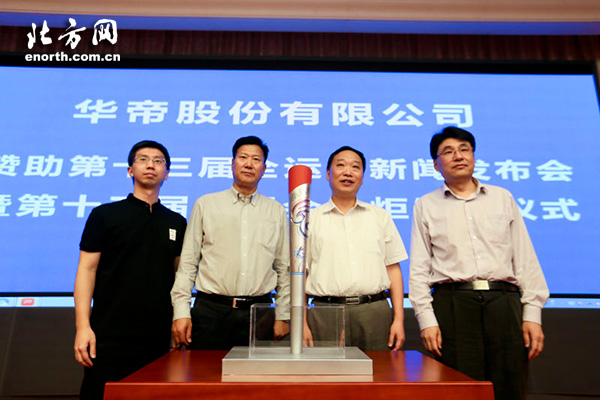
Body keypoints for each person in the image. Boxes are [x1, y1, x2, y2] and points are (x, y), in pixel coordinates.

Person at [409, 126, 549, 400]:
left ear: (473, 156)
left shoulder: (502, 197)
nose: (458, 156)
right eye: (448, 151)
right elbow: (419, 268)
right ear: (436, 164)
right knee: (461, 390)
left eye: (465, 149)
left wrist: (532, 314)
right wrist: (426, 320)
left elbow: (525, 258)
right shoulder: (425, 205)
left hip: (504, 302)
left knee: (510, 387)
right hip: (453, 304)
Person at [73, 140, 187, 400]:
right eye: (143, 159)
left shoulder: (176, 222)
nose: (151, 165)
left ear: (167, 173)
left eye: (158, 161)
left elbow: (180, 277)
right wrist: (83, 327)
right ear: (130, 170)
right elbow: (87, 270)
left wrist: (177, 320)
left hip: (158, 337)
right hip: (109, 334)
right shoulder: (104, 215)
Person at [171, 135, 290, 350]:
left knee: (257, 372)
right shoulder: (206, 204)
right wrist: (181, 312)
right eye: (243, 157)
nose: (249, 164)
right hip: (211, 311)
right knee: (205, 371)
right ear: (232, 163)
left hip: (260, 313)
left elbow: (283, 268)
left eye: (256, 159)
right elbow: (188, 263)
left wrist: (282, 315)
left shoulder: (275, 211)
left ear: (264, 169)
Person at [303, 146, 408, 351]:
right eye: (341, 165)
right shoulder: (309, 220)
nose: (348, 172)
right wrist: (301, 323)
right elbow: (301, 274)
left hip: (374, 311)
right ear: (328, 174)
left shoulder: (380, 216)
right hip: (326, 312)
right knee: (327, 371)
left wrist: (398, 319)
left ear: (362, 177)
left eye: (355, 167)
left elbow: (393, 269)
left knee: (378, 369)